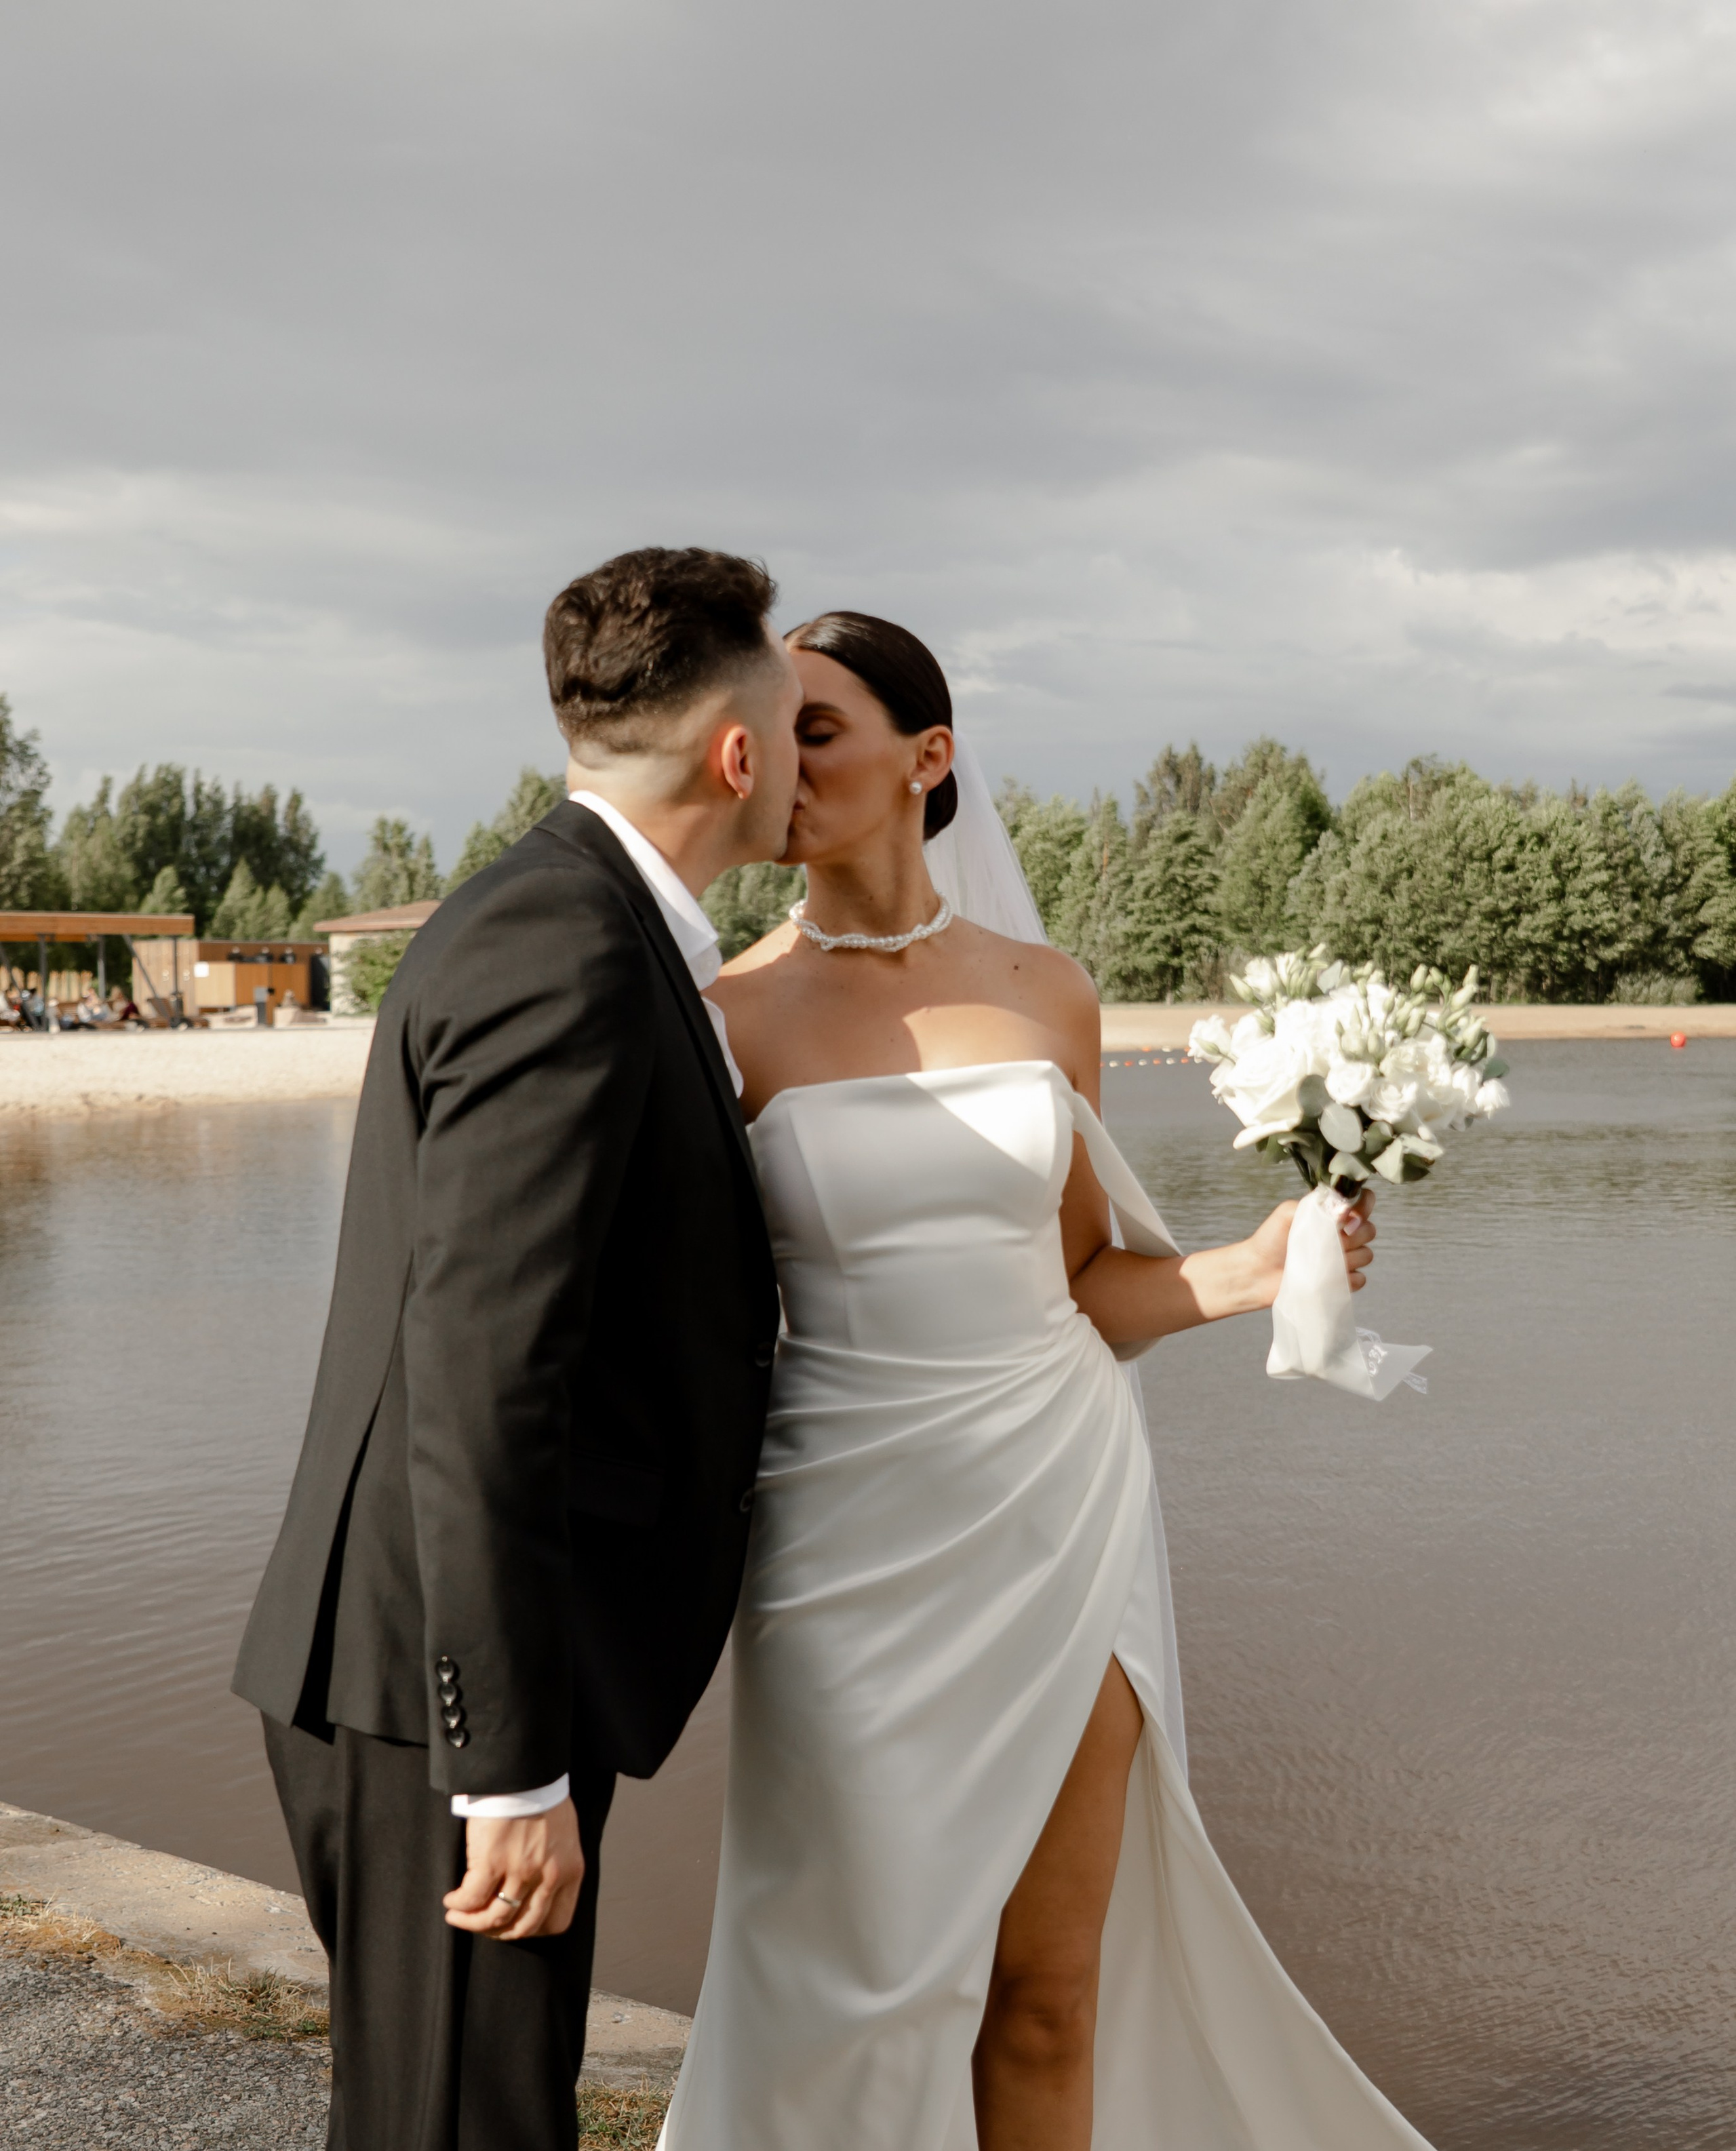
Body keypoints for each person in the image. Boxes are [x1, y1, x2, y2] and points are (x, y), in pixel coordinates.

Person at [664, 612, 1434, 2150]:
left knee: (1045, 1985)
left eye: (818, 728)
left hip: (1056, 1502)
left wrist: (1258, 1261)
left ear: (924, 759)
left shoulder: (1044, 994)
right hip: (839, 1535)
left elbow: (1090, 1284)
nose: (779, 763)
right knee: (847, 1985)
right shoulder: (723, 1015)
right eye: (763, 734)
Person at [232, 548, 802, 2151]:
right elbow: (485, 1373)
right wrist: (505, 1766)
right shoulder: (570, 943)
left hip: (435, 1675)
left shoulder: (570, 912)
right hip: (438, 1697)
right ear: (735, 753)